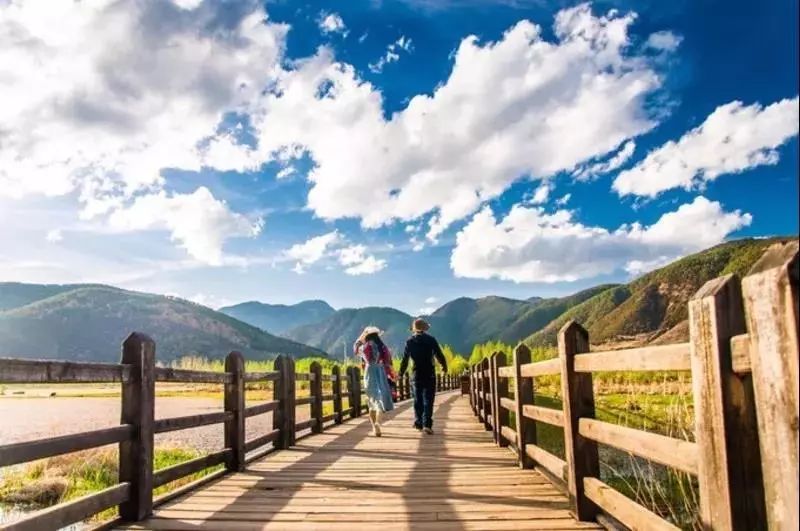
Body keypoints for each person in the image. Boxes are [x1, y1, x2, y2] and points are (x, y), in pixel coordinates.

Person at [399, 318, 447, 435]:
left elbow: (405, 360)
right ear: (425, 329)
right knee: (428, 400)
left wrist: (401, 373)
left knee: (417, 400)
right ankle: (427, 424)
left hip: (416, 374)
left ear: (414, 329)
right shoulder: (431, 340)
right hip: (429, 373)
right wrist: (444, 366)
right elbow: (439, 354)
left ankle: (418, 422)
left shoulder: (409, 342)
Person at [354, 326, 395, 436]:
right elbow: (388, 362)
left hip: (369, 372)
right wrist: (392, 374)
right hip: (380, 372)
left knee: (372, 400)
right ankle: (378, 423)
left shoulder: (364, 347)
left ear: (367, 336)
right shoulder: (382, 347)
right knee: (380, 399)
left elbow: (355, 348)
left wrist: (361, 335)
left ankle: (373, 426)